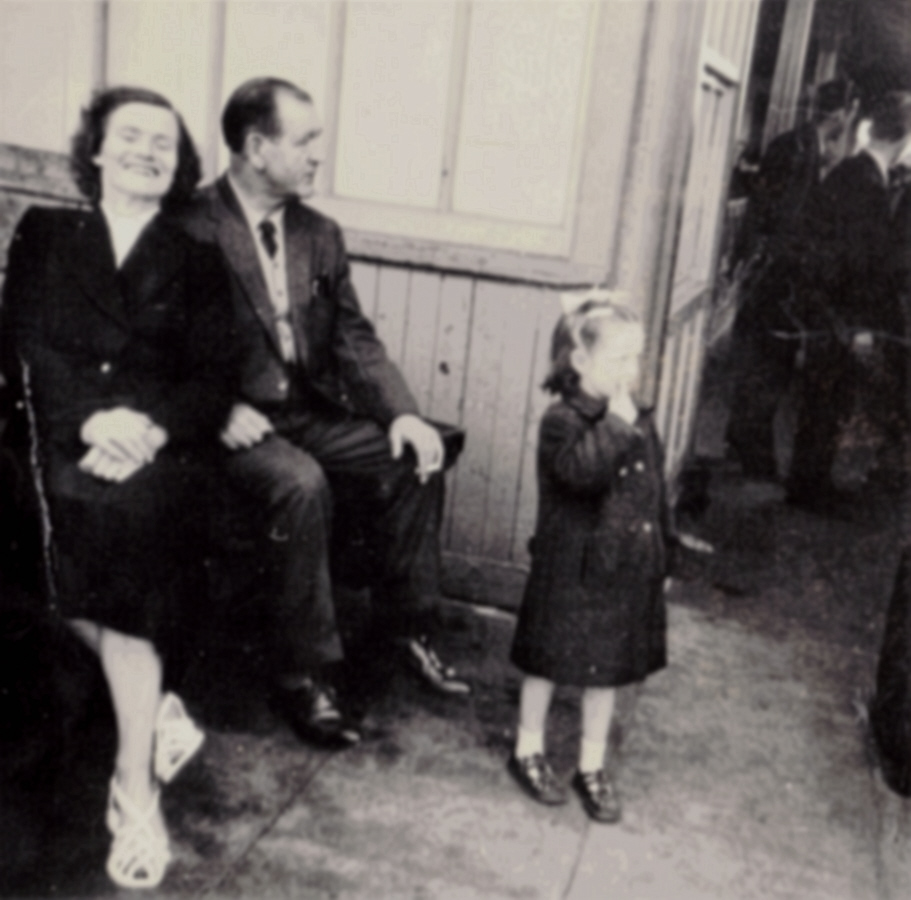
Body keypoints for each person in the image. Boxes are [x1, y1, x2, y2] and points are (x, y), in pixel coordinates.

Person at [182, 77, 469, 750]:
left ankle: (405, 627)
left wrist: (401, 414)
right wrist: (214, 407)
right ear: (256, 147)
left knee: (420, 456)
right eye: (305, 140)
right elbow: (157, 342)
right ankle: (299, 673)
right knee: (300, 484)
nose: (318, 155)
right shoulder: (190, 227)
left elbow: (352, 338)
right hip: (228, 424)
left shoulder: (318, 233)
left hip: (304, 412)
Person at [0, 87, 238, 889]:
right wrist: (88, 423)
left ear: (178, 167)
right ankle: (154, 707)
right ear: (95, 151)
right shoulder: (46, 233)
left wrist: (147, 431)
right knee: (40, 537)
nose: (145, 150)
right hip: (61, 434)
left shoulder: (200, 258)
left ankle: (132, 784)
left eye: (162, 143)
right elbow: (24, 344)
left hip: (157, 454)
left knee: (122, 532)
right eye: (128, 136)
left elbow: (212, 379)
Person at [506, 293, 674, 824]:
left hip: (621, 565)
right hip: (570, 569)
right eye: (619, 360)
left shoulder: (634, 418)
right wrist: (618, 427)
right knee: (547, 663)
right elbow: (581, 473)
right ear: (580, 363)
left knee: (606, 672)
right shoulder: (563, 421)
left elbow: (653, 491)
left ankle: (591, 765)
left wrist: (661, 553)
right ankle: (527, 750)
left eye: (636, 358)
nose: (632, 371)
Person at [785, 90, 911, 510]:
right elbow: (855, 265)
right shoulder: (866, 183)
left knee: (828, 399)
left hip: (830, 309)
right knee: (827, 400)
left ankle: (811, 483)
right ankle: (808, 490)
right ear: (904, 138)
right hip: (839, 313)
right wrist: (858, 327)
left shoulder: (853, 173)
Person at [726, 80, 854, 479]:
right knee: (769, 364)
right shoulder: (798, 150)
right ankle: (752, 454)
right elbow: (779, 219)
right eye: (848, 116)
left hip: (774, 274)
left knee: (766, 363)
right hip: (776, 279)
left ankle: (742, 439)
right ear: (842, 114)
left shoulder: (801, 145)